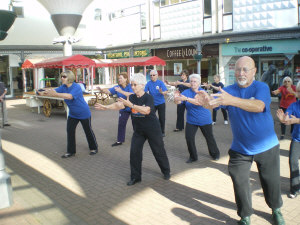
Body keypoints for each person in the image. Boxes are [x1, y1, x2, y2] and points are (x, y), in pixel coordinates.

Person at [196, 56, 285, 225]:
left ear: (254, 72)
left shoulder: (262, 87)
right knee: (239, 181)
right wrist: (206, 103)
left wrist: (232, 100)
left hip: (267, 146)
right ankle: (245, 216)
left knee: (271, 181)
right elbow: (214, 103)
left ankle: (276, 210)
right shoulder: (228, 90)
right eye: (238, 69)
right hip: (240, 148)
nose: (241, 73)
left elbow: (259, 106)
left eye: (245, 69)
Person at [95, 73, 170, 186]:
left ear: (142, 85)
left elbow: (146, 111)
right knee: (134, 153)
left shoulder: (148, 97)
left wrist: (132, 106)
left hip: (152, 130)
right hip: (139, 131)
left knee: (158, 151)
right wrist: (106, 107)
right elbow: (119, 105)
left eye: (135, 85)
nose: (133, 87)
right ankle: (136, 177)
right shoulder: (131, 97)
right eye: (132, 84)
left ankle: (166, 171)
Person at [38, 70, 98, 158]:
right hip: (73, 114)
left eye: (64, 76)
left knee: (88, 131)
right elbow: (53, 91)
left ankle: (94, 148)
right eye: (61, 76)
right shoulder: (63, 87)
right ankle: (71, 151)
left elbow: (69, 96)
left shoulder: (76, 87)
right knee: (70, 131)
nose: (62, 78)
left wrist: (56, 94)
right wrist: (42, 91)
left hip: (83, 113)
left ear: (70, 78)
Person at [174, 74, 220, 163]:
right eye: (191, 81)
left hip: (204, 120)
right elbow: (179, 101)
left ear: (199, 83)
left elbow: (198, 102)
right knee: (189, 138)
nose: (193, 83)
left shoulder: (202, 92)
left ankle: (215, 154)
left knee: (209, 137)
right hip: (191, 120)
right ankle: (193, 156)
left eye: (195, 81)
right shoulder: (186, 92)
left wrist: (186, 99)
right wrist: (176, 98)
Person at [277, 81, 300, 199]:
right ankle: (295, 188)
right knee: (293, 162)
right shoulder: (294, 105)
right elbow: (287, 117)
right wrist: (283, 119)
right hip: (297, 139)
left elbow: (296, 120)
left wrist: (297, 120)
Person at [97, 72, 133, 147]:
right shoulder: (117, 87)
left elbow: (131, 95)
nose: (119, 79)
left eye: (121, 78)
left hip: (133, 107)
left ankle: (139, 138)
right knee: (121, 124)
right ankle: (120, 140)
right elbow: (109, 91)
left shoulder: (130, 86)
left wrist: (120, 91)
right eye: (118, 78)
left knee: (137, 124)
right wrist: (102, 90)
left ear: (126, 79)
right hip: (123, 108)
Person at [145, 70, 168, 137]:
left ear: (157, 76)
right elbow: (145, 91)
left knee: (162, 118)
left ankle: (162, 131)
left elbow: (166, 91)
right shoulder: (148, 83)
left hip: (161, 103)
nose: (152, 76)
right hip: (152, 103)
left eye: (153, 75)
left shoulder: (160, 83)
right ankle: (152, 130)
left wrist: (162, 93)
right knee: (150, 117)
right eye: (151, 75)